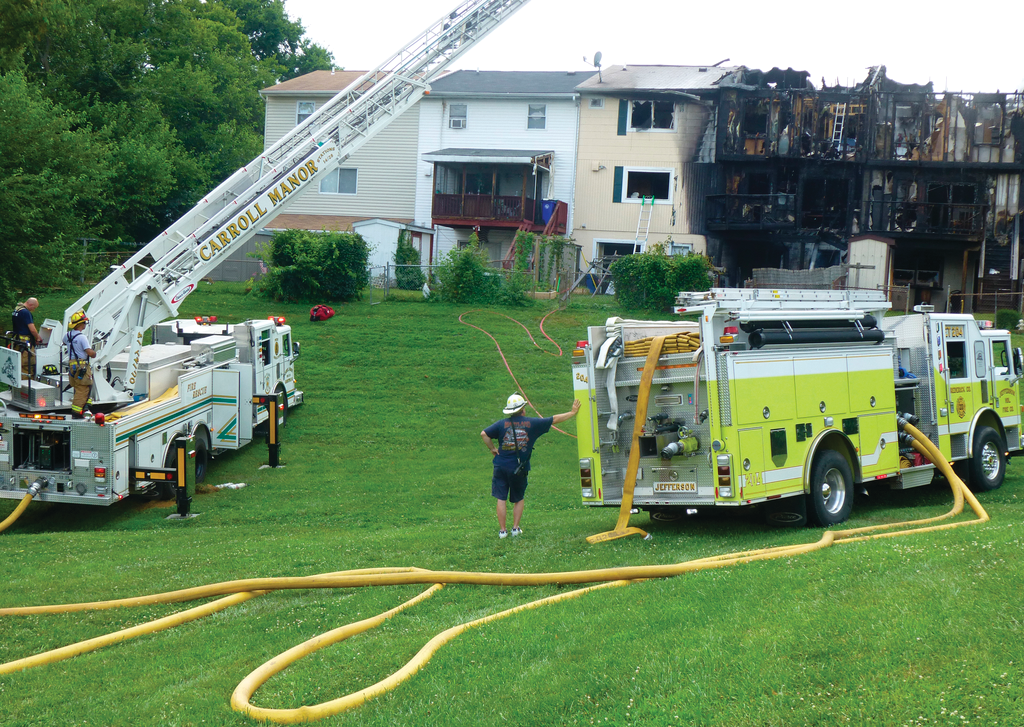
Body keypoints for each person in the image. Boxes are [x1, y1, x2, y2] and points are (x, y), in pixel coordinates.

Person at [480, 393, 580, 539]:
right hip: (518, 468)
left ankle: (502, 531)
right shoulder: (532, 423)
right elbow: (554, 419)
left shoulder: (501, 424)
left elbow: (484, 434)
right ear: (523, 409)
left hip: (500, 465)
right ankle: (515, 529)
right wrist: (572, 412)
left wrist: (492, 449)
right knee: (518, 498)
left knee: (501, 498)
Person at [62, 310, 96, 419]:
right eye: (84, 322)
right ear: (80, 324)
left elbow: (64, 342)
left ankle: (85, 406)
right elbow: (89, 352)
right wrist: (94, 353)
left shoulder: (67, 335)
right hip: (81, 366)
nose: (85, 324)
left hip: (72, 366)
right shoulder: (82, 337)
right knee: (83, 388)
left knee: (78, 386)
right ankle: (77, 413)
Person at [11, 297, 42, 381]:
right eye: (34, 308)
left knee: (18, 364)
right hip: (24, 343)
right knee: (27, 365)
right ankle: (26, 386)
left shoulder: (17, 310)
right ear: (30, 304)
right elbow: (32, 329)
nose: (33, 310)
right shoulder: (25, 312)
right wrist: (38, 337)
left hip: (17, 341)